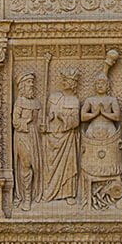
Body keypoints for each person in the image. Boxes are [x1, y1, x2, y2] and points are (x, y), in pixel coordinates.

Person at [41, 69, 81, 203]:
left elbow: (76, 121)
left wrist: (64, 119)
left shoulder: (75, 101)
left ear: (74, 83)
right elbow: (46, 116)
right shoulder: (53, 97)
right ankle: (48, 189)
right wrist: (48, 120)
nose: (65, 82)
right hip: (51, 136)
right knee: (50, 166)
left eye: (68, 80)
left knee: (68, 165)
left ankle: (68, 194)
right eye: (64, 80)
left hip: (67, 137)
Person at [12, 72, 42, 211]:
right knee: (26, 163)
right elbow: (15, 122)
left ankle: (34, 192)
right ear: (22, 86)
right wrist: (26, 121)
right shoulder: (19, 102)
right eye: (29, 83)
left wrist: (43, 123)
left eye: (32, 83)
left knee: (35, 165)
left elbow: (41, 121)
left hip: (35, 136)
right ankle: (26, 197)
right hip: (22, 136)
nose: (32, 86)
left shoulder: (37, 103)